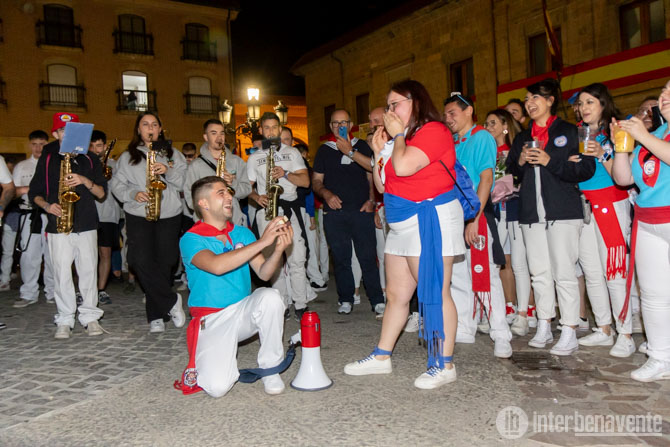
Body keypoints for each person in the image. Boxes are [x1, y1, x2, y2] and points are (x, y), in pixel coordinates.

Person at [344, 80, 463, 389]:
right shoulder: (400, 139)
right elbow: (383, 185)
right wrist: (378, 149)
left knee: (435, 292)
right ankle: (383, 356)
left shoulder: (433, 131)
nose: (389, 110)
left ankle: (444, 363)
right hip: (401, 222)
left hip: (429, 218)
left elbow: (406, 166)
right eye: (389, 105)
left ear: (417, 103)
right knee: (396, 294)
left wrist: (396, 137)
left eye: (396, 104)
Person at [177, 176, 292, 397]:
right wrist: (263, 242)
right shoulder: (191, 238)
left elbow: (264, 273)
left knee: (270, 296)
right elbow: (217, 266)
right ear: (203, 203)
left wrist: (278, 250)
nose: (229, 197)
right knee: (217, 388)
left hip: (242, 312)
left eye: (229, 192)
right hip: (211, 319)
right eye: (221, 193)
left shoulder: (242, 233)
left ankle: (270, 368)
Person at [506, 78, 596, 356]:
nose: (529, 103)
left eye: (535, 98)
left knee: (564, 272)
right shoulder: (522, 137)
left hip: (562, 211)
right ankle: (544, 323)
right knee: (539, 272)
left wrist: (549, 161)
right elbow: (510, 171)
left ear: (550, 100)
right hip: (532, 213)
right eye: (527, 99)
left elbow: (585, 170)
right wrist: (520, 161)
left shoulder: (571, 131)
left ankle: (568, 328)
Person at [443, 94, 513, 358]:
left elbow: (485, 179)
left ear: (469, 110)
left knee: (485, 276)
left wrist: (474, 217)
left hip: (477, 216)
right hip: (454, 218)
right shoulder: (452, 143)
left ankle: (501, 333)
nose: (448, 119)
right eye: (446, 114)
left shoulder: (481, 137)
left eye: (453, 113)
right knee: (459, 275)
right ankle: (464, 326)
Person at [28, 112, 107, 339]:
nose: (67, 134)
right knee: (61, 272)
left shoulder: (90, 159)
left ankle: (90, 316)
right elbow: (35, 192)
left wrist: (84, 180)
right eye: (62, 131)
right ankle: (64, 318)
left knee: (88, 271)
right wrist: (47, 206)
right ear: (55, 133)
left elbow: (101, 193)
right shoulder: (48, 157)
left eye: (71, 130)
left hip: (87, 223)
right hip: (58, 223)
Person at [612, 79, 670, 381]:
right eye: (663, 92)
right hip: (648, 220)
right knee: (653, 293)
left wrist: (643, 136)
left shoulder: (651, 136)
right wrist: (621, 146)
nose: (664, 96)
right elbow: (623, 179)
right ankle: (661, 356)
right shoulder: (656, 134)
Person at [110, 112, 187, 333]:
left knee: (166, 261)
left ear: (160, 128)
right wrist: (133, 193)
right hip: (139, 213)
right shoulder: (128, 157)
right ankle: (171, 301)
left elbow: (184, 182)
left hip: (169, 213)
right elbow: (117, 185)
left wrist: (168, 171)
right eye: (145, 124)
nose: (150, 128)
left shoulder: (174, 154)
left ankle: (157, 315)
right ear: (138, 130)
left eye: (154, 124)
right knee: (138, 259)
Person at [312, 109, 385, 317]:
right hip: (334, 214)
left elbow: (373, 174)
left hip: (361, 211)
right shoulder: (324, 151)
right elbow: (316, 181)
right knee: (341, 258)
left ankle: (377, 299)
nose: (339, 126)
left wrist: (371, 201)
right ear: (330, 126)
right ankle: (345, 298)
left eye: (343, 122)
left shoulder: (362, 146)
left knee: (368, 257)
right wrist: (326, 194)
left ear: (351, 124)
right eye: (335, 123)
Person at [247, 112, 311, 321]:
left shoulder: (292, 152)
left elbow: (306, 182)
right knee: (273, 259)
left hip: (289, 207)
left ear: (279, 127)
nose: (271, 131)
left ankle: (300, 303)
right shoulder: (254, 156)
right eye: (267, 128)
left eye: (274, 127)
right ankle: (281, 303)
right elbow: (246, 187)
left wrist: (285, 174)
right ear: (261, 130)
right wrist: (257, 197)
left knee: (297, 256)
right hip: (268, 210)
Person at [484, 109, 533, 331]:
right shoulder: (488, 151)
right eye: (486, 123)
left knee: (518, 262)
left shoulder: (511, 152)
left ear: (505, 125)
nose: (488, 127)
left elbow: (513, 182)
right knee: (500, 261)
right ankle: (507, 306)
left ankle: (526, 309)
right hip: (495, 210)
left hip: (512, 209)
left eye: (492, 123)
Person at [183, 119, 251, 228]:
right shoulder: (195, 165)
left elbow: (247, 190)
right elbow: (189, 195)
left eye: (222, 133)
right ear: (206, 137)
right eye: (214, 133)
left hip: (234, 222)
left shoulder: (237, 161)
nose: (219, 137)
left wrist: (233, 184)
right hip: (207, 224)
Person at [12, 131, 53, 306]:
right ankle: (29, 292)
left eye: (42, 144)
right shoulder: (22, 166)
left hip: (50, 214)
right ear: (30, 145)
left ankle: (53, 291)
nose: (38, 148)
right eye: (35, 144)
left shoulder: (53, 163)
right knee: (29, 255)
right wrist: (28, 190)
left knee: (52, 255)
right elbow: (12, 191)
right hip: (29, 214)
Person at [89, 130, 121, 305]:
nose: (95, 149)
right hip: (87, 213)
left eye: (99, 145)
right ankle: (86, 288)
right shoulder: (83, 163)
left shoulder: (114, 165)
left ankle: (101, 289)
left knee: (105, 252)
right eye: (91, 146)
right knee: (85, 254)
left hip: (108, 213)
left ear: (105, 146)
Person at [0, 157, 20, 292]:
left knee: (8, 249)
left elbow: (9, 188)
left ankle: (5, 278)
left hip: (14, 215)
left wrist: (1, 208)